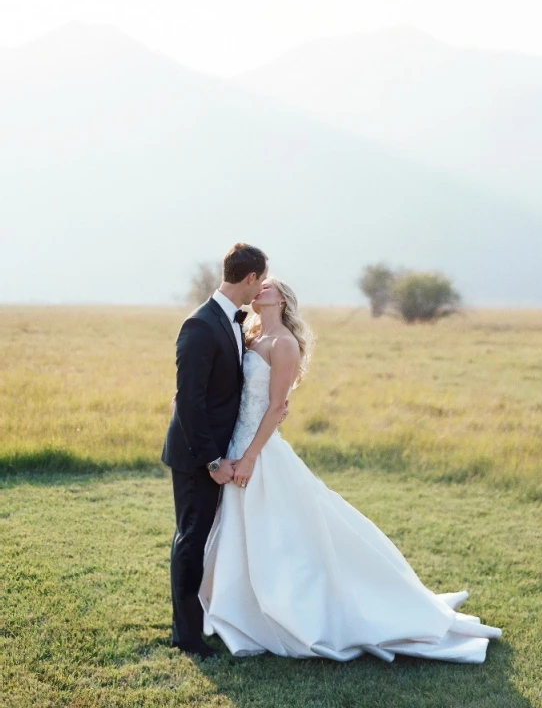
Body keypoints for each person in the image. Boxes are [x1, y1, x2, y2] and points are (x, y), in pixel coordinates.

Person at [199, 276, 503, 664]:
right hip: (236, 442)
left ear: (283, 299)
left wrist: (251, 457)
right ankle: (243, 605)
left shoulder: (285, 344)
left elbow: (277, 408)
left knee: (281, 531)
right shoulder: (250, 336)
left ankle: (293, 607)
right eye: (258, 285)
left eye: (268, 286)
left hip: (257, 451)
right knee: (246, 528)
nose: (260, 289)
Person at [161, 242, 280, 659]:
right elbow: (189, 401)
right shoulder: (200, 325)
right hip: (197, 455)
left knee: (203, 538)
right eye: (261, 279)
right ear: (250, 279)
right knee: (191, 539)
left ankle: (205, 619)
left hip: (220, 450)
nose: (261, 286)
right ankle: (186, 636)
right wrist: (212, 460)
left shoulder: (234, 321)